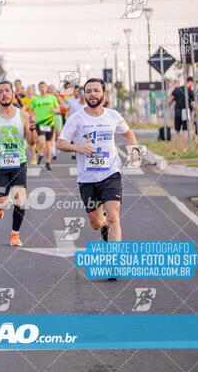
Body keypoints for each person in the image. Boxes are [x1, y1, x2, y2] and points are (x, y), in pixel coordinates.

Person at [57, 78, 139, 280]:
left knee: (113, 217)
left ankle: (113, 264)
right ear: (84, 95)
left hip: (111, 173)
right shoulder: (76, 119)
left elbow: (129, 135)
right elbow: (60, 143)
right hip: (88, 178)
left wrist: (134, 153)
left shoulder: (113, 116)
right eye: (88, 91)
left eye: (96, 90)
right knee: (96, 222)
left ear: (104, 94)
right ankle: (103, 229)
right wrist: (77, 147)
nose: (92, 94)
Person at [0, 80, 37, 246]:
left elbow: (32, 143)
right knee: (1, 203)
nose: (4, 94)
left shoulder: (23, 116)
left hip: (19, 162)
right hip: (0, 164)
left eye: (7, 91)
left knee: (20, 200)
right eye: (0, 92)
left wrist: (33, 128)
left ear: (13, 94)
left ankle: (15, 235)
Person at [30, 81, 60, 170]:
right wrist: (32, 118)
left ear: (46, 88)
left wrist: (55, 109)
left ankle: (47, 162)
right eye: (40, 87)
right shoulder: (35, 99)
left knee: (48, 143)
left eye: (44, 87)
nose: (42, 88)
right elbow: (31, 110)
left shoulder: (52, 97)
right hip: (39, 123)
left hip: (50, 123)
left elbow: (58, 109)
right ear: (39, 89)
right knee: (41, 140)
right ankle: (41, 153)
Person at [170, 76, 195, 156]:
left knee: (176, 131)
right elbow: (193, 104)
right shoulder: (190, 91)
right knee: (185, 131)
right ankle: (184, 150)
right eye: (193, 83)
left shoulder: (177, 89)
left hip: (177, 111)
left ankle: (174, 151)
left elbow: (170, 100)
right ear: (190, 82)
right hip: (185, 112)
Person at [21, 84, 39, 164]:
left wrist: (33, 109)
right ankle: (34, 157)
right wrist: (24, 108)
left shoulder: (36, 99)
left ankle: (36, 146)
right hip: (26, 121)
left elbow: (38, 110)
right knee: (31, 140)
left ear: (33, 90)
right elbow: (20, 110)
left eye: (31, 88)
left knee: (37, 139)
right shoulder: (23, 99)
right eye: (28, 88)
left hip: (36, 120)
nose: (29, 90)